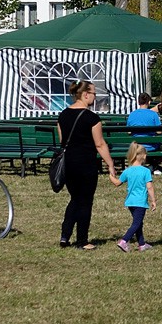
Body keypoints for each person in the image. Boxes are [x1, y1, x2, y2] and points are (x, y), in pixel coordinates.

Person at [58, 81, 117, 250]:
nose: (95, 96)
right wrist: (110, 164)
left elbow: (63, 141)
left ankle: (65, 236)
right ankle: (82, 240)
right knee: (85, 202)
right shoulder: (92, 118)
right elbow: (99, 144)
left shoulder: (62, 115)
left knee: (75, 199)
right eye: (93, 93)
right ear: (85, 94)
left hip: (68, 163)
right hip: (86, 163)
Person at [111, 142, 157, 252]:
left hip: (130, 202)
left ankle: (142, 244)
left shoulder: (127, 171)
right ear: (144, 156)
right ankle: (124, 241)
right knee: (136, 223)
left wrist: (111, 176)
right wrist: (153, 200)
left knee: (138, 223)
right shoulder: (146, 171)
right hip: (140, 202)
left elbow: (117, 183)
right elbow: (149, 187)